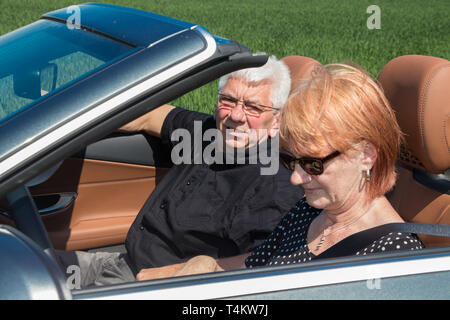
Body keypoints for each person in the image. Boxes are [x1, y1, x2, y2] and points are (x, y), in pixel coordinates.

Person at [135, 62, 424, 281]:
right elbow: (258, 263)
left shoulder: (394, 256)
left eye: (313, 164)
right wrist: (195, 267)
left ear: (366, 156)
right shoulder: (310, 212)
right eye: (290, 161)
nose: (297, 178)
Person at [57, 55, 304, 288]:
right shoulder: (207, 131)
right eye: (228, 100)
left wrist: (165, 276)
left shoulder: (276, 184)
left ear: (276, 121)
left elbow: (264, 263)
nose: (236, 116)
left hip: (150, 286)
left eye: (254, 108)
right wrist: (60, 107)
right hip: (120, 261)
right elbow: (148, 116)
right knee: (29, 265)